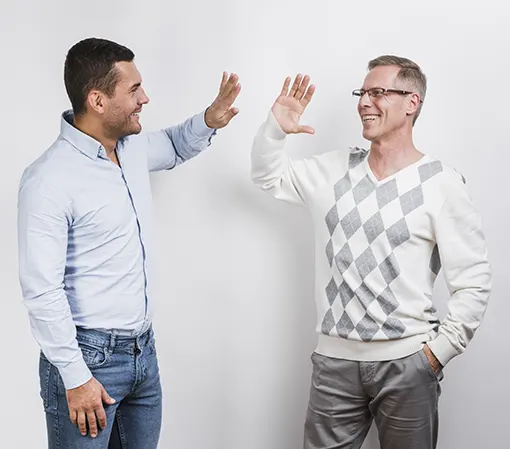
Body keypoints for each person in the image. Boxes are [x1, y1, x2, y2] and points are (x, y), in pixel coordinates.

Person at [250, 55, 491, 449]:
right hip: (333, 365)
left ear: (412, 102)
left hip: (409, 364)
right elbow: (267, 175)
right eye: (362, 93)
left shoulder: (442, 183)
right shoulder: (333, 171)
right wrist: (276, 129)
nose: (364, 101)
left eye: (378, 92)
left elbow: (474, 282)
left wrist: (435, 355)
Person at [17, 37, 240, 449]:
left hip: (143, 354)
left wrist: (210, 119)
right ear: (98, 100)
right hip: (88, 361)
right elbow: (41, 290)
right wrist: (76, 376)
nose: (146, 98)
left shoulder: (131, 148)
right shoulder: (48, 179)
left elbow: (173, 145)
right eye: (134, 90)